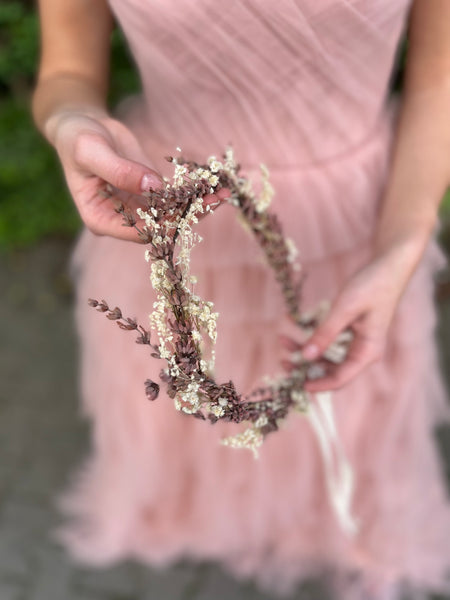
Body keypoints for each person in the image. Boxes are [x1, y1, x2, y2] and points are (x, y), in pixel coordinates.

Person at [32, 1, 450, 598]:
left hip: (356, 218)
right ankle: (206, 517)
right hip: (174, 211)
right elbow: (67, 71)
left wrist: (401, 245)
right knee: (191, 419)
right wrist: (72, 119)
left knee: (346, 410)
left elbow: (440, 79)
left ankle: (329, 527)